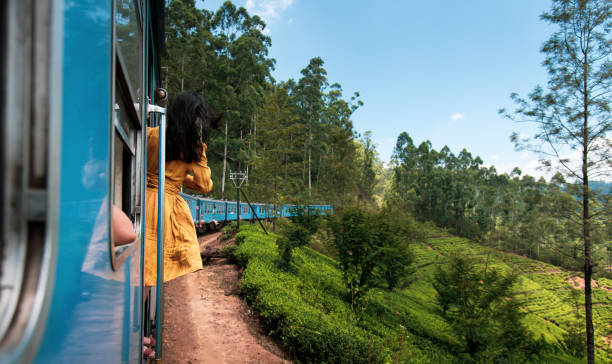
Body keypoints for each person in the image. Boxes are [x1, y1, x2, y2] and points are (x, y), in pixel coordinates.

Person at [144, 92, 222, 287]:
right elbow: (204, 185)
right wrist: (183, 178)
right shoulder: (192, 147)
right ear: (192, 117)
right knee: (150, 272)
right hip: (162, 206)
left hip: (138, 197)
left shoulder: (150, 134)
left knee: (138, 263)